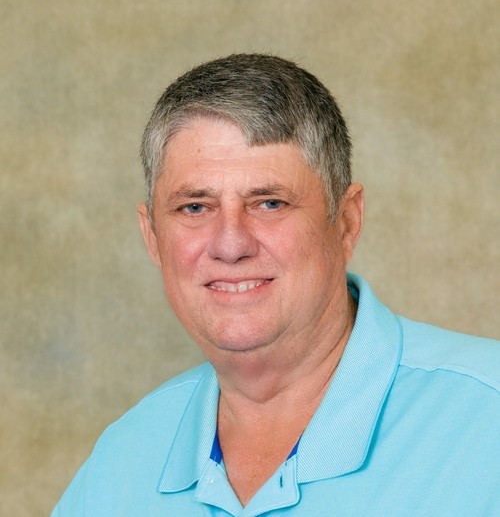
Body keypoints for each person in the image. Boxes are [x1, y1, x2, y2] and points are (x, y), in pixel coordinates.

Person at [52, 54, 499, 516]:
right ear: (152, 237)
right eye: (195, 207)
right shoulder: (121, 462)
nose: (231, 245)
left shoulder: (489, 420)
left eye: (269, 203)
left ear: (346, 222)